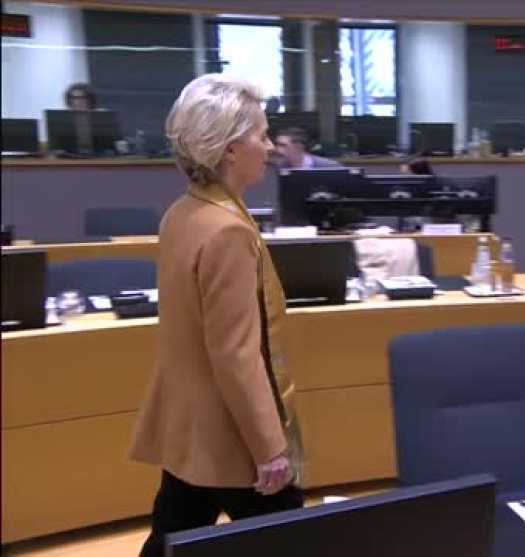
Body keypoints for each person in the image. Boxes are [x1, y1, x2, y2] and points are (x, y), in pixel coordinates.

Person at [130, 74, 305, 557]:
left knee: (171, 536)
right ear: (230, 149)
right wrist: (269, 447)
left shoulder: (182, 213)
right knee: (291, 538)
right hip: (231, 433)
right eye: (262, 135)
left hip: (189, 423)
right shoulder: (228, 231)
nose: (269, 147)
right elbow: (235, 352)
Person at [273, 126, 342, 170]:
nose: (277, 150)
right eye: (276, 145)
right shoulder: (277, 169)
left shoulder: (330, 167)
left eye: (282, 145)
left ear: (299, 147)